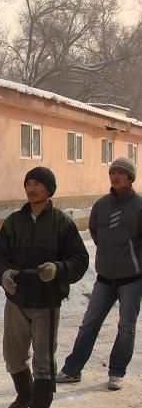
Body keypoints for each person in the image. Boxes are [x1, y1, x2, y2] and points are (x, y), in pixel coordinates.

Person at [0, 167, 89, 408]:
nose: (31, 188)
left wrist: (58, 270)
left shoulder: (62, 223)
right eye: (28, 183)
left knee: (44, 363)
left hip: (46, 302)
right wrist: (4, 275)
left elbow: (79, 261)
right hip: (16, 300)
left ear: (49, 189)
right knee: (13, 356)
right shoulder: (13, 222)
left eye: (37, 184)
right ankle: (25, 395)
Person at [57, 157, 142, 390]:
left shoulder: (139, 206)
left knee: (126, 327)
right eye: (112, 172)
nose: (115, 176)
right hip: (104, 277)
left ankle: (116, 372)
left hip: (131, 280)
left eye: (121, 173)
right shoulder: (101, 205)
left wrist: (131, 260)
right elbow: (95, 233)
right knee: (88, 325)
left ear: (130, 178)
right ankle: (72, 369)